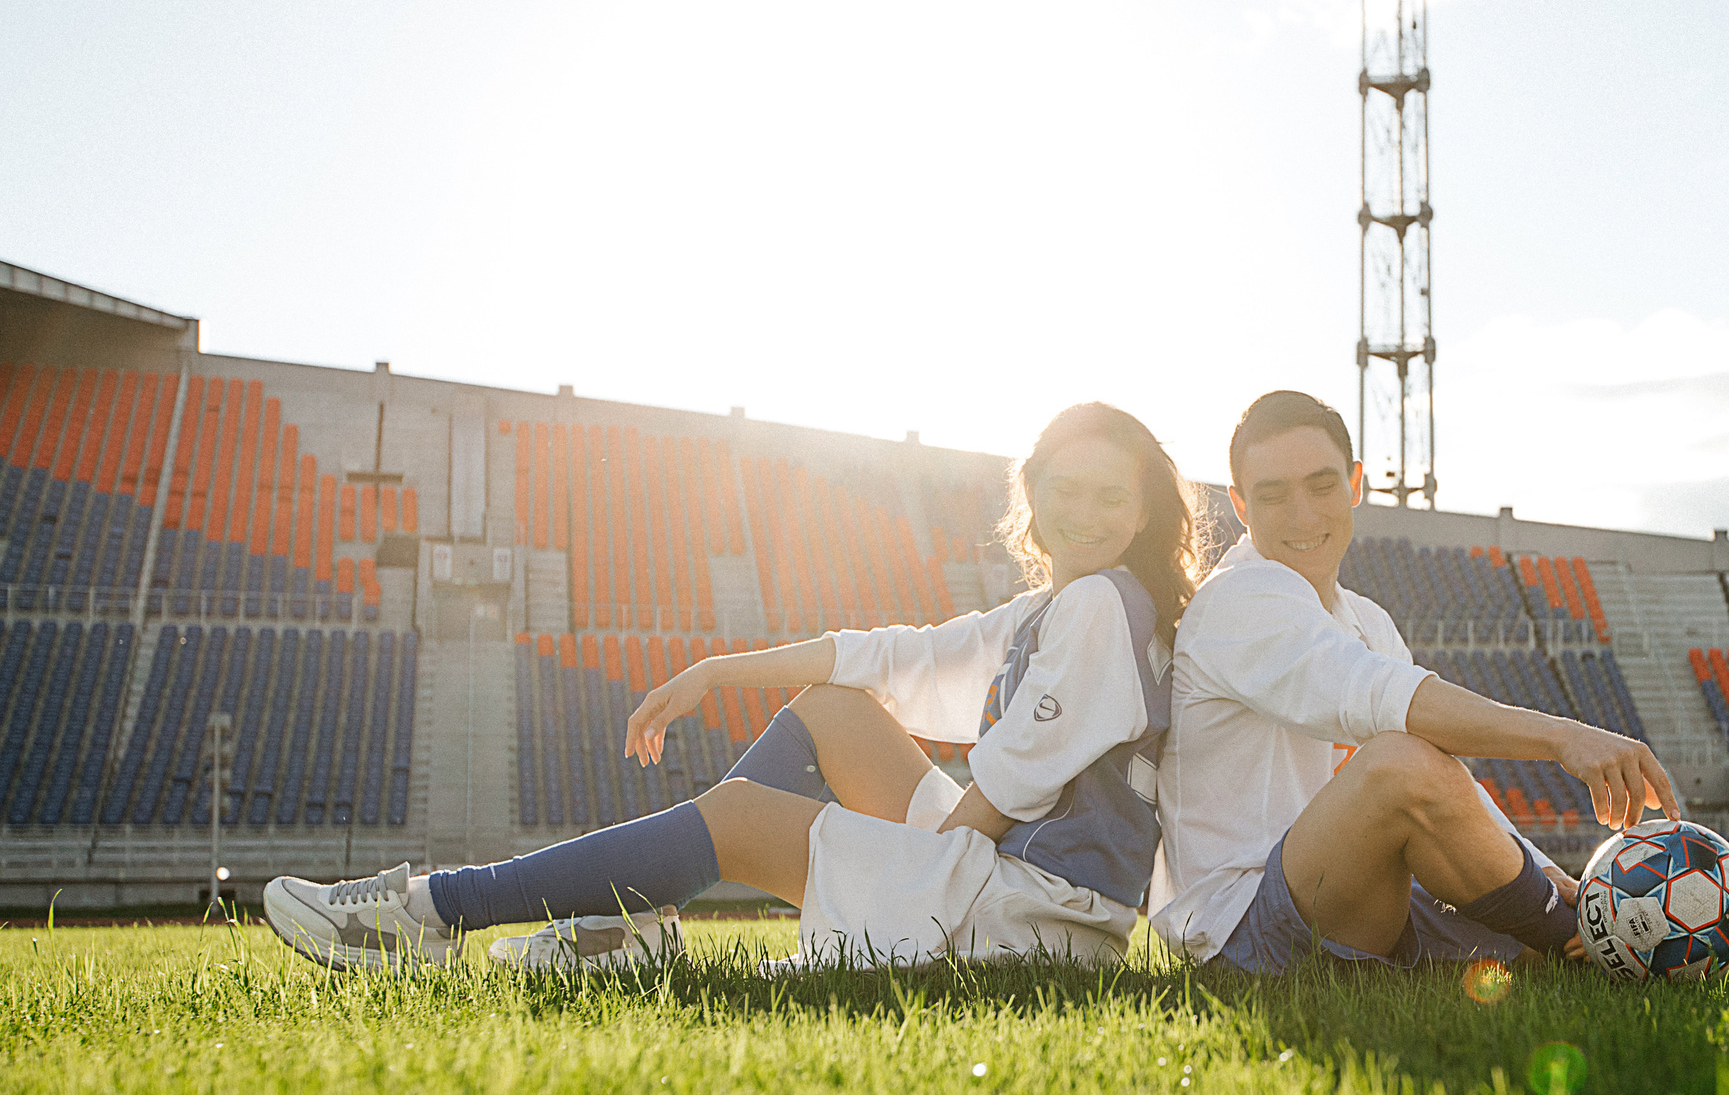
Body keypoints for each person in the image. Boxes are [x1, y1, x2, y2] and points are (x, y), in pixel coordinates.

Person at [263, 402, 1199, 974]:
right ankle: (634, 930)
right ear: (1031, 489)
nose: (1082, 514)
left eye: (1110, 497)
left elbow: (1009, 783)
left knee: (746, 818)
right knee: (833, 709)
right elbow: (895, 657)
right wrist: (722, 670)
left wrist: (900, 887)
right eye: (1063, 489)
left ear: (1147, 508)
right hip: (1023, 884)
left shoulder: (1105, 608)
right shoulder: (1065, 603)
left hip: (1041, 921)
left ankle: (429, 912)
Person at [1150, 390, 1729, 976]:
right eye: (1271, 496)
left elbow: (1443, 788)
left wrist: (1568, 891)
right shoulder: (1242, 600)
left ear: (1355, 484)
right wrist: (1563, 735)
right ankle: (1580, 932)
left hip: (1359, 908)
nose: (1300, 517)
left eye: (1318, 486)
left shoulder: (1360, 613)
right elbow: (1386, 713)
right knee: (1398, 763)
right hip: (1241, 937)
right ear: (1237, 500)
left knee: (1628, 917)